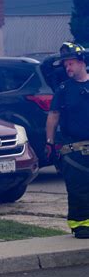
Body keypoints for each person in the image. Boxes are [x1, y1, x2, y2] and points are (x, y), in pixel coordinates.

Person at [45, 42, 89, 239]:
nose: (67, 68)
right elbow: (53, 115)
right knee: (78, 189)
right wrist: (50, 141)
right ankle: (80, 225)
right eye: (65, 65)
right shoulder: (63, 89)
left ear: (82, 63)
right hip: (74, 149)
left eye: (70, 64)